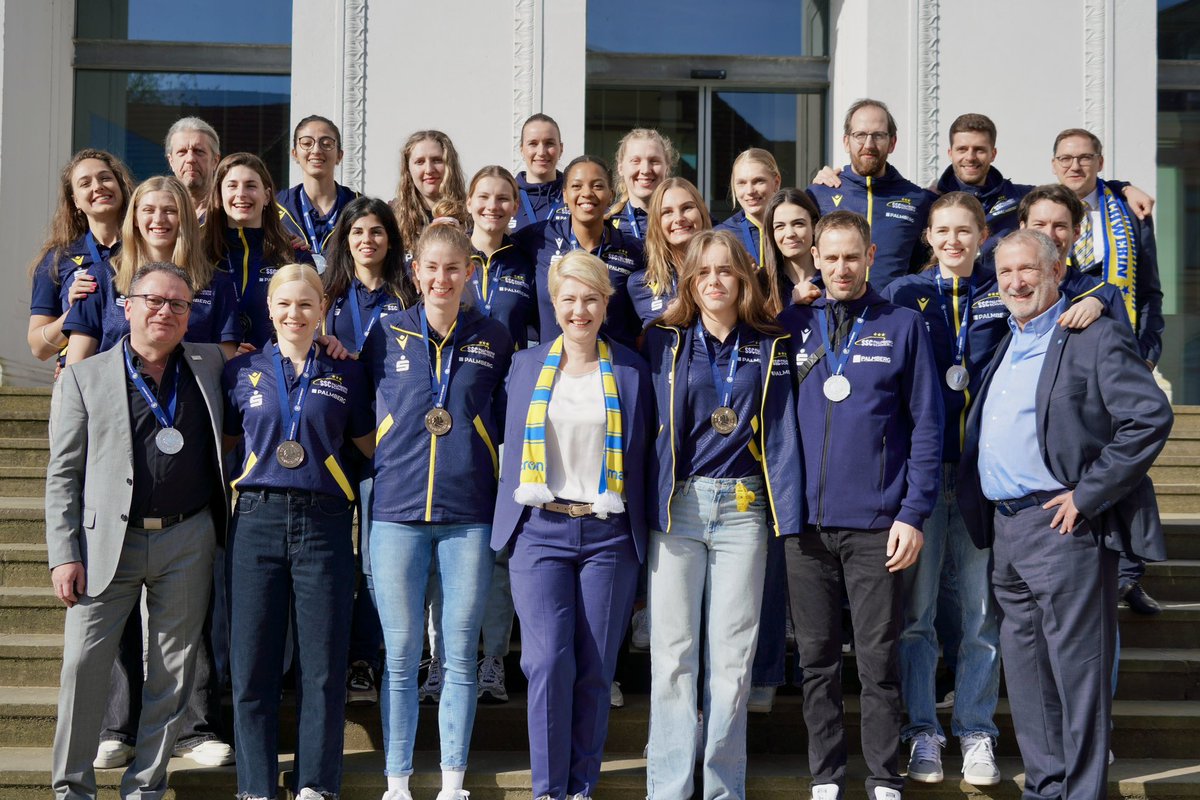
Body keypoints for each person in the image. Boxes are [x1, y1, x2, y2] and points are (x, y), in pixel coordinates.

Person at [881, 191, 1115, 786]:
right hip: (922, 481)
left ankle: (976, 728)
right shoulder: (903, 295)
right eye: (943, 230)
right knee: (919, 614)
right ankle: (922, 732)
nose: (954, 241)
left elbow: (1079, 283)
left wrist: (1103, 299)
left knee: (985, 615)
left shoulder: (1004, 292)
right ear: (927, 237)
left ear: (983, 234)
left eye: (965, 230)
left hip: (985, 480)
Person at [957, 229, 1173, 800]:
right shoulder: (1008, 340)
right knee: (1026, 678)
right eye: (1004, 273)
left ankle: (1080, 792)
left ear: (1057, 274)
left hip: (1065, 528)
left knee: (1078, 676)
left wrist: (1087, 495)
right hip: (1006, 530)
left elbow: (1148, 417)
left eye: (1027, 270)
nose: (1015, 282)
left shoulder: (1091, 335)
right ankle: (1045, 788)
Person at [46, 262, 228, 799]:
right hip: (107, 544)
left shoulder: (210, 364)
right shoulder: (84, 375)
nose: (165, 312)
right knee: (83, 667)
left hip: (187, 538)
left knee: (172, 671)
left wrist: (332, 343)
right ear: (127, 306)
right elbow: (62, 474)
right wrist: (63, 553)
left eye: (178, 304)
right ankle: (72, 788)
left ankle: (145, 787)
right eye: (153, 300)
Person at [778, 210, 942, 800]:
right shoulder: (789, 324)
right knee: (817, 660)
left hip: (879, 525)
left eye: (853, 256)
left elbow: (927, 426)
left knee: (878, 658)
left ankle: (883, 777)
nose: (842, 268)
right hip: (805, 527)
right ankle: (826, 777)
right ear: (814, 258)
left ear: (871, 255)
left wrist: (912, 512)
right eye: (832, 257)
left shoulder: (901, 324)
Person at [642, 229, 801, 800]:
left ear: (743, 279)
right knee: (673, 659)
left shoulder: (771, 342)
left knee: (732, 663)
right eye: (703, 271)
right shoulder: (661, 339)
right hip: (677, 505)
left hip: (743, 508)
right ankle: (669, 788)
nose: (714, 280)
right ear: (690, 279)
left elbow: (783, 431)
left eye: (726, 271)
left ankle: (720, 789)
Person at [492, 249, 652, 800]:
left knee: (593, 670)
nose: (579, 310)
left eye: (590, 298)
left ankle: (581, 786)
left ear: (606, 303)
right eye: (569, 299)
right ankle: (547, 790)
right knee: (545, 662)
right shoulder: (524, 365)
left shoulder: (632, 371)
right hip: (539, 531)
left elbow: (648, 458)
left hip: (608, 536)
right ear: (553, 304)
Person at [363, 221, 513, 800]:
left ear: (469, 273)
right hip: (397, 511)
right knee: (401, 656)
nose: (442, 278)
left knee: (457, 651)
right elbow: (354, 410)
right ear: (416, 271)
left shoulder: (493, 337)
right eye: (432, 268)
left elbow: (505, 411)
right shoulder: (386, 333)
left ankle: (453, 780)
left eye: (454, 268)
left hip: (468, 511)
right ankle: (397, 780)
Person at [223, 263, 375, 800]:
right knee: (253, 666)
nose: (295, 314)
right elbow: (224, 444)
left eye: (306, 305)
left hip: (325, 521)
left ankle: (316, 784)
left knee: (323, 667)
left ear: (322, 311)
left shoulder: (347, 373)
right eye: (284, 304)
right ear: (269, 310)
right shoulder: (241, 373)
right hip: (257, 521)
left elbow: (369, 448)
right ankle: (256, 786)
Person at [321, 196, 417, 706]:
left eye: (377, 231)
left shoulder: (408, 294)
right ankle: (333, 658)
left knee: (380, 560)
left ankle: (369, 658)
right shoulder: (328, 295)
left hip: (391, 443)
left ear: (390, 239)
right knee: (337, 556)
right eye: (358, 231)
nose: (367, 240)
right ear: (346, 238)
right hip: (336, 442)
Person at [746, 187, 823, 715]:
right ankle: (769, 668)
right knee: (774, 561)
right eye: (780, 227)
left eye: (800, 223)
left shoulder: (841, 278)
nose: (791, 234)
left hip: (827, 433)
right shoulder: (758, 286)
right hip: (771, 436)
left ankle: (818, 659)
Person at [64, 176, 241, 362]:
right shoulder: (102, 277)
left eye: (170, 211)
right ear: (134, 218)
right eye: (148, 210)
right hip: (114, 390)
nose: (159, 219)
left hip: (189, 390)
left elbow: (224, 363)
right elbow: (76, 366)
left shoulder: (216, 283)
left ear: (185, 219)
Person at [930, 113, 1154, 260]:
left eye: (979, 149)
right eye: (962, 149)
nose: (970, 157)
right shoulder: (930, 201)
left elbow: (1071, 188)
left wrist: (1123, 188)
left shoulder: (1020, 196)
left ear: (993, 153)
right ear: (950, 153)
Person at [512, 155, 644, 349]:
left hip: (615, 369)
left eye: (598, 186)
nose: (587, 193)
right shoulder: (537, 238)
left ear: (611, 194)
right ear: (564, 194)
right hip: (554, 369)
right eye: (576, 186)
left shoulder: (635, 250)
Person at [806, 99, 934, 290]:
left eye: (878, 135)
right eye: (860, 135)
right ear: (846, 142)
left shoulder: (920, 200)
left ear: (892, 142)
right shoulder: (818, 194)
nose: (869, 144)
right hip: (833, 313)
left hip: (893, 314)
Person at [26, 149, 130, 362]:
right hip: (78, 375)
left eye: (105, 178)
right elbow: (38, 348)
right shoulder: (57, 259)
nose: (98, 186)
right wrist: (75, 314)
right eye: (85, 183)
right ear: (75, 202)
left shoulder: (145, 249)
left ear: (121, 186)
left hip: (135, 378)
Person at [203, 152, 314, 349]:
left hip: (274, 373)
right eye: (232, 186)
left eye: (251, 186)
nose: (241, 194)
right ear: (219, 196)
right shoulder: (198, 254)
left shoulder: (293, 256)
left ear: (267, 196)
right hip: (208, 372)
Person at [465, 165, 538, 349]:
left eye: (502, 199)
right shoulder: (451, 256)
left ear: (515, 207)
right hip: (460, 374)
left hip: (510, 375)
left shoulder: (527, 262)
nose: (492, 206)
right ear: (469, 203)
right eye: (483, 197)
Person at [277, 115, 360, 271]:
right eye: (307, 143)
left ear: (339, 156)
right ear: (294, 153)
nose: (316, 150)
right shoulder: (276, 207)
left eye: (326, 144)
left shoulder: (360, 206)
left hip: (347, 294)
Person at [628, 177, 712, 327]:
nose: (679, 218)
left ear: (702, 213)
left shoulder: (728, 273)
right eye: (667, 212)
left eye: (687, 208)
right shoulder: (641, 284)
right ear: (657, 223)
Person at [392, 130, 467, 266]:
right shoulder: (392, 218)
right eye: (420, 162)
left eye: (437, 160)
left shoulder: (471, 214)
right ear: (408, 170)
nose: (429, 169)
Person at [714, 148, 782, 268]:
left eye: (758, 181)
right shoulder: (722, 236)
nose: (750, 191)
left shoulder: (793, 229)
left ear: (776, 182)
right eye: (742, 183)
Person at [608, 128, 678, 240]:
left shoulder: (684, 220)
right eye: (635, 161)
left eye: (654, 161)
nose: (645, 170)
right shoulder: (606, 222)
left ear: (667, 168)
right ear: (621, 168)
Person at [512, 113, 567, 232]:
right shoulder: (508, 195)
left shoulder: (574, 196)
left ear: (561, 149)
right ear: (522, 149)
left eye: (549, 143)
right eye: (533, 143)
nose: (541, 152)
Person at [164, 116, 221, 220]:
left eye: (199, 151)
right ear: (171, 161)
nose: (190, 159)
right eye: (182, 152)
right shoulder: (159, 217)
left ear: (215, 161)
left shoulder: (230, 214)